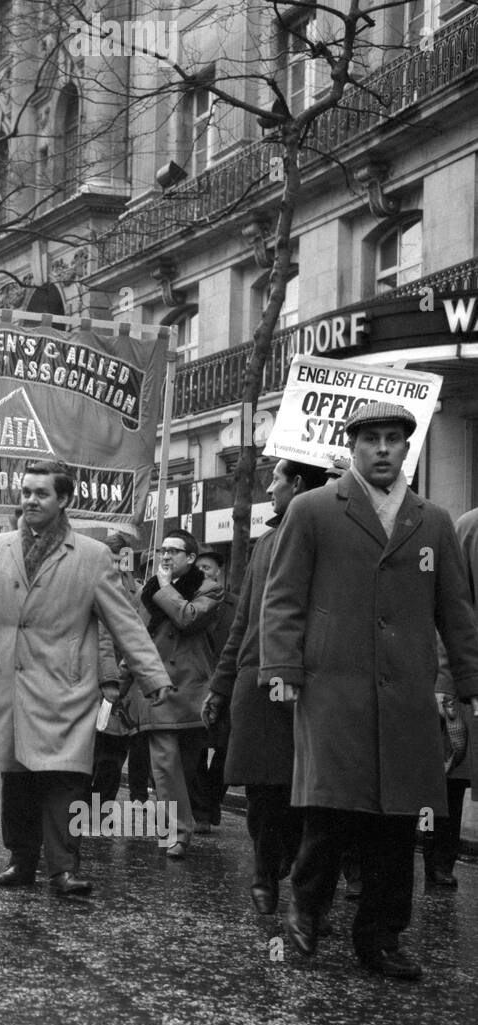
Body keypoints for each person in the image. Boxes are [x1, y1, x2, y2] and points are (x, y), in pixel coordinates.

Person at [262, 402, 478, 979]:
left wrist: (469, 680)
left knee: (398, 822)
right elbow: (283, 597)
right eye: (371, 439)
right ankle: (307, 905)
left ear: (407, 448)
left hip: (406, 697)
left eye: (393, 439)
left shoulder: (433, 521)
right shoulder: (312, 510)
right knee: (331, 810)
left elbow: (456, 611)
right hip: (332, 688)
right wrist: (282, 669)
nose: (382, 448)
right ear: (352, 447)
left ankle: (381, 938)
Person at [0, 461, 171, 894]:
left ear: (64, 499)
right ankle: (21, 860)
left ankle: (63, 868)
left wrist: (153, 676)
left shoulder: (92, 556)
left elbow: (124, 622)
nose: (30, 501)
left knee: (65, 779)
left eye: (41, 493)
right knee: (17, 777)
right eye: (25, 492)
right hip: (13, 683)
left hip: (68, 687)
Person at [203, 459, 329, 914]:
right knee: (261, 788)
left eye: (275, 480)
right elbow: (242, 622)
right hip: (256, 683)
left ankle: (294, 874)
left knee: (303, 790)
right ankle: (263, 869)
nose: (269, 489)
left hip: (310, 682)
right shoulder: (265, 543)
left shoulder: (329, 539)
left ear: (296, 483)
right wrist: (220, 686)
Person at [125, 528, 222, 858]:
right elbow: (136, 638)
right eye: (162, 550)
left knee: (186, 766)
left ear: (191, 558)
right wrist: (120, 683)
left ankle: (180, 823)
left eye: (173, 551)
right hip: (159, 689)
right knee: (165, 765)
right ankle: (177, 832)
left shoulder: (209, 589)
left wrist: (165, 588)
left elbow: (187, 618)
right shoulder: (149, 590)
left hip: (193, 691)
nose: (165, 556)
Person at [427, 504, 478, 887]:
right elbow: (451, 612)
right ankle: (438, 858)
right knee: (450, 774)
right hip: (463, 676)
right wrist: (446, 681)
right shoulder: (469, 527)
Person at [193, 548, 237, 827]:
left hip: (227, 685)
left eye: (207, 568)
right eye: (199, 568)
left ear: (218, 571)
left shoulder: (236, 604)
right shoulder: (189, 604)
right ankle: (202, 810)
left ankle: (211, 800)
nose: (203, 572)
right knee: (197, 747)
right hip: (197, 684)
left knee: (227, 747)